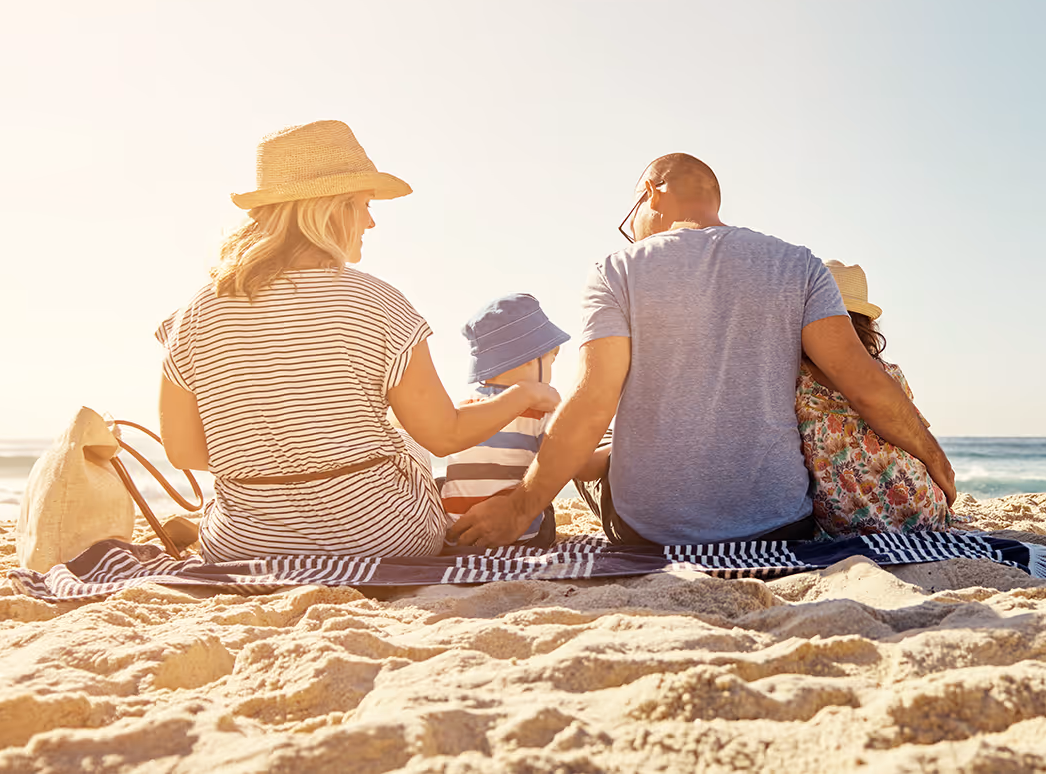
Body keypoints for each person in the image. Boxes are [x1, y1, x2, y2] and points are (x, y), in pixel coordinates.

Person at [449, 153, 956, 548]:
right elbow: (863, 382)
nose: (631, 234)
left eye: (632, 218)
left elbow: (593, 399)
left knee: (595, 446)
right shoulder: (798, 265)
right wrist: (934, 456)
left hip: (649, 532)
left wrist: (519, 507)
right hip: (780, 528)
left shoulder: (617, 270)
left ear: (651, 191)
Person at [157, 120, 559, 561]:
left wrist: (282, 454)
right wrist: (524, 393)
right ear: (334, 207)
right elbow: (445, 436)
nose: (371, 220)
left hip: (246, 546)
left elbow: (184, 451)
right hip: (384, 538)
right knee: (402, 437)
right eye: (365, 205)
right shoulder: (377, 300)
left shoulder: (194, 312)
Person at [797, 261, 952, 536]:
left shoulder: (797, 380)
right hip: (919, 509)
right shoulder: (888, 375)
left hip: (840, 519)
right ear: (866, 323)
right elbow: (914, 431)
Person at [438, 294, 571, 547]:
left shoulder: (466, 406)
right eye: (551, 359)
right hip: (520, 537)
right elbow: (567, 462)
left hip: (459, 532)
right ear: (533, 358)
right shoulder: (540, 412)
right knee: (546, 502)